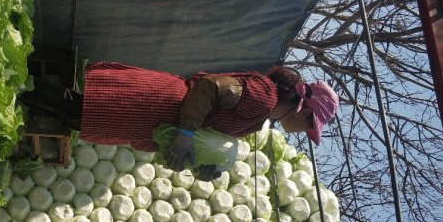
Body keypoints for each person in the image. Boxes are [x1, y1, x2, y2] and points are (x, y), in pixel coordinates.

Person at [22, 61, 339, 179]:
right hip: (153, 103)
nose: (303, 133)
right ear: (305, 110)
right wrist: (186, 133)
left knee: (77, 116)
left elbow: (211, 129)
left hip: (150, 120)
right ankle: (23, 86)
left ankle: (25, 91)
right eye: (309, 127)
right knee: (75, 108)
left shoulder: (260, 117)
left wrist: (202, 165)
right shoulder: (263, 96)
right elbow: (209, 87)